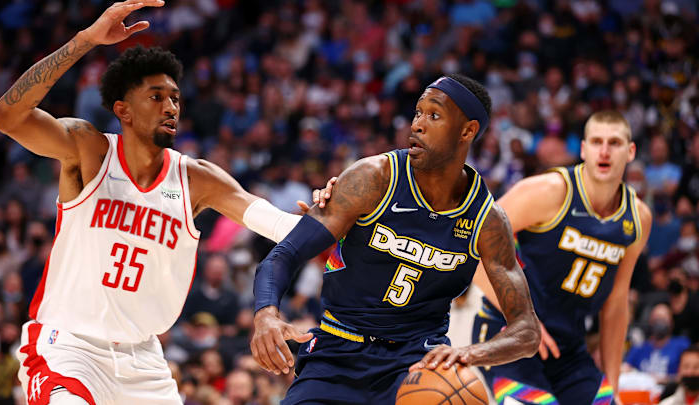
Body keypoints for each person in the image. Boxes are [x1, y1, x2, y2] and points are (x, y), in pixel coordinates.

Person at [0, 2, 325, 404]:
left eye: (176, 99)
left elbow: (273, 221)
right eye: (156, 97)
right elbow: (7, 116)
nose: (171, 107)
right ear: (123, 110)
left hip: (144, 361)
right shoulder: (88, 151)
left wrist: (330, 216)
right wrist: (85, 41)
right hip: (68, 348)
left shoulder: (196, 178)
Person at [250, 74, 541, 404]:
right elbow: (282, 255)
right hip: (336, 353)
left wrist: (469, 355)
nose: (417, 124)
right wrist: (266, 315)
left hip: (416, 365)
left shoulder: (486, 219)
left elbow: (526, 331)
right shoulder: (373, 178)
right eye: (418, 112)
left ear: (467, 131)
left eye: (434, 115)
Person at [471, 111, 653, 404]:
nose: (604, 151)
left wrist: (614, 385)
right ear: (583, 149)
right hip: (509, 335)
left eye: (614, 143)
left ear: (630, 151)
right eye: (596, 142)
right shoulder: (549, 191)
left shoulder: (638, 218)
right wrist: (522, 314)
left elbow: (616, 304)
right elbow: (474, 243)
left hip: (568, 348)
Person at [624, 303, 690, 384]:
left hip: (669, 391)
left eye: (663, 319)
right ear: (650, 322)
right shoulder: (639, 347)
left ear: (671, 322)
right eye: (657, 318)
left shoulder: (681, 345)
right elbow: (625, 369)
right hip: (641, 391)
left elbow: (688, 374)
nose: (660, 322)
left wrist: (662, 380)